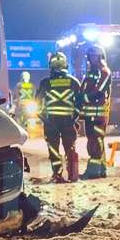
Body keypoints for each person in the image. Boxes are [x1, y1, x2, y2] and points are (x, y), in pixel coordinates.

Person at [39, 50, 81, 183]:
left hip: (51, 121)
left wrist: (43, 118)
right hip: (68, 121)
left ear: (50, 66)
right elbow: (80, 102)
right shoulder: (74, 81)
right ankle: (73, 174)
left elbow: (36, 102)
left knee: (53, 148)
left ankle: (57, 174)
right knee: (70, 147)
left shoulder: (45, 82)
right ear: (66, 65)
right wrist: (74, 118)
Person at [78, 44, 113, 179]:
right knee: (94, 140)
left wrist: (85, 97)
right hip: (89, 113)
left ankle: (93, 170)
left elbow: (99, 91)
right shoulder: (90, 73)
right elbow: (83, 88)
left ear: (100, 57)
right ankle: (102, 169)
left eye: (94, 56)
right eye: (90, 56)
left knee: (95, 140)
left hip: (98, 113)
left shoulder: (104, 71)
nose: (91, 59)